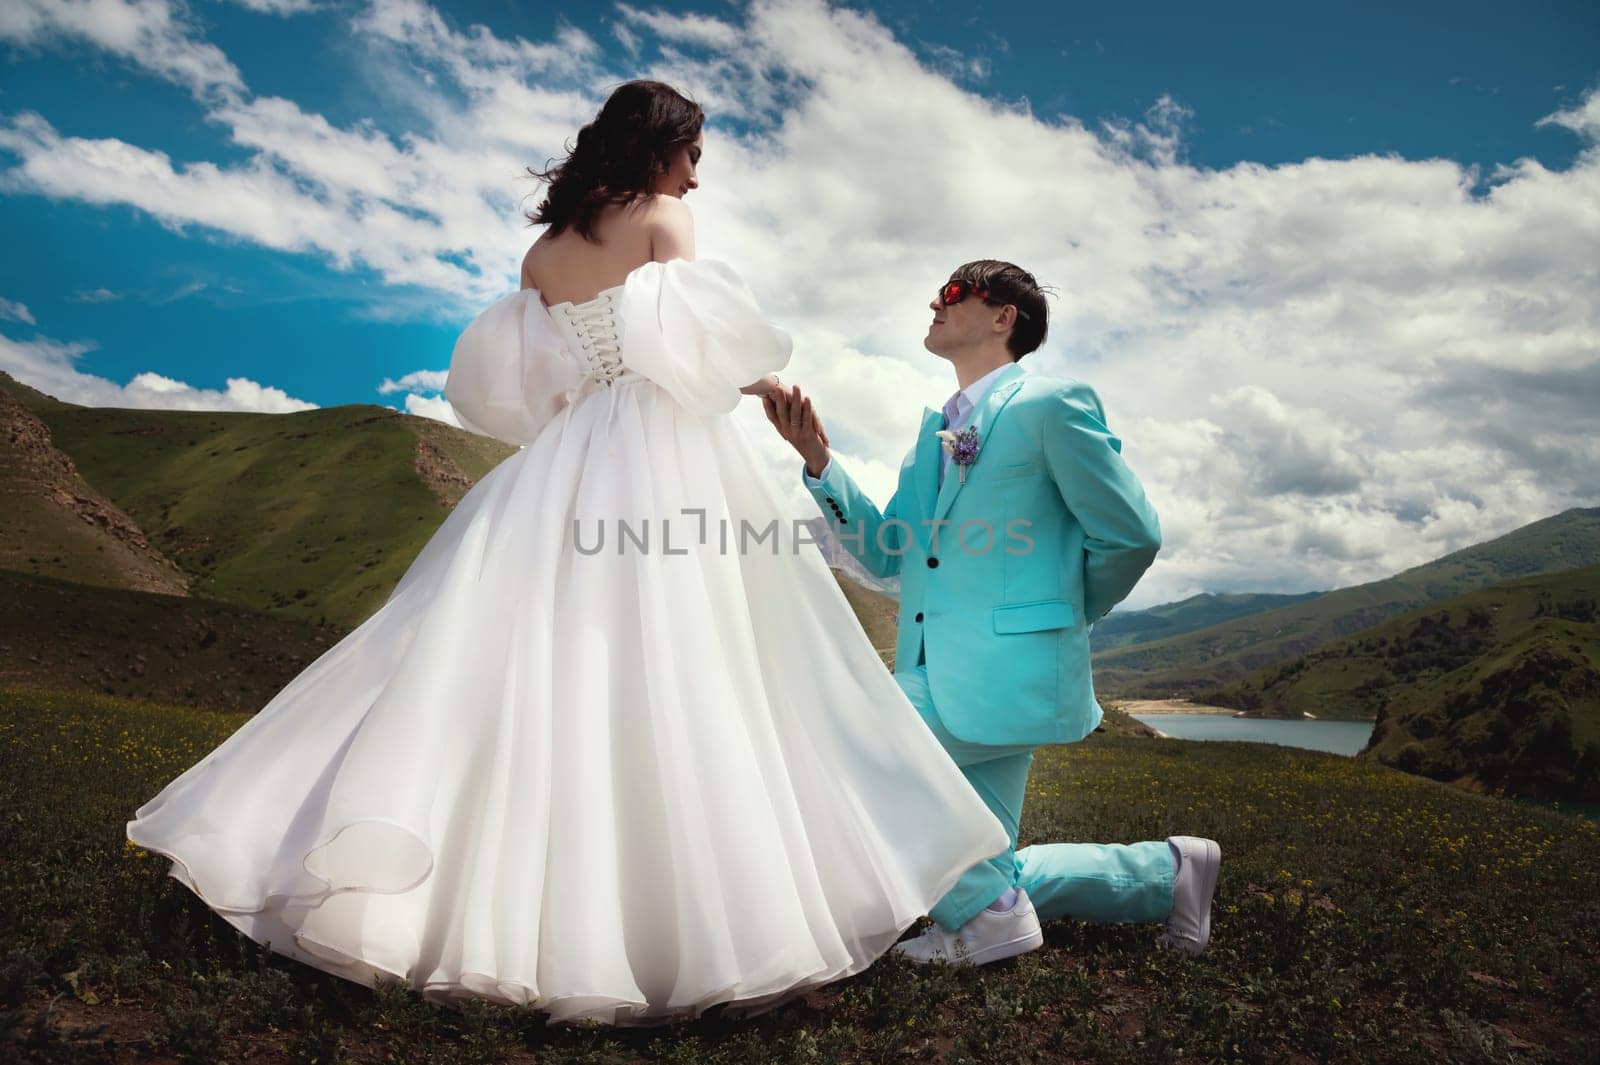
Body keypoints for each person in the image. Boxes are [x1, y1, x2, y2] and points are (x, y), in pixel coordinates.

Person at [125, 81, 1009, 1025]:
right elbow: (688, 349)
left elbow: (533, 382)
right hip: (659, 448)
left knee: (510, 658)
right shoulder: (664, 221)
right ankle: (704, 925)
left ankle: (406, 886)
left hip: (571, 452)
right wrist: (771, 387)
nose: (697, 176)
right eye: (693, 152)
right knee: (697, 659)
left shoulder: (541, 253)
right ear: (660, 145)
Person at [764, 260, 1221, 967]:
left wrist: (1056, 621)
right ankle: (1170, 875)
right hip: (942, 671)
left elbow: (1132, 534)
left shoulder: (1052, 404)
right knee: (984, 865)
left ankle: (991, 921)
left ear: (1005, 316)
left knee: (839, 748)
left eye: (953, 292)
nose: (935, 302)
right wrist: (818, 459)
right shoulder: (932, 437)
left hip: (1011, 670)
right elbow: (889, 550)